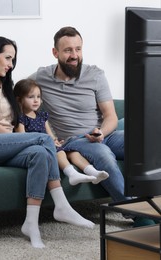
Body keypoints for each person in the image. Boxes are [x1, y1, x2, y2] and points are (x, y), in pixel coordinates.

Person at [0, 36, 95, 249]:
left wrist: (18, 137)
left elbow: (24, 103)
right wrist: (20, 138)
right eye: (7, 58)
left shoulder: (7, 87)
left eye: (13, 60)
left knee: (40, 153)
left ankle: (31, 224)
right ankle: (62, 201)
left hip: (6, 146)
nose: (10, 64)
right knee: (43, 139)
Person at [29, 26, 155, 227]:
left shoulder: (94, 75)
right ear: (55, 53)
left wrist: (101, 132)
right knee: (104, 155)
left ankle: (154, 202)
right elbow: (12, 94)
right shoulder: (41, 77)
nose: (74, 55)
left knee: (147, 142)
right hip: (73, 141)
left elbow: (111, 116)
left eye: (78, 49)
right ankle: (136, 212)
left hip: (103, 134)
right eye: (68, 50)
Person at [13, 78, 109, 186]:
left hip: (50, 145)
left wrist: (56, 141)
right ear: (19, 100)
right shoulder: (21, 118)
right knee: (59, 151)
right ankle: (72, 173)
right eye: (31, 97)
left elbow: (50, 134)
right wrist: (50, 143)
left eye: (38, 97)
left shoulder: (42, 116)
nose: (36, 100)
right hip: (37, 147)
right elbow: (22, 138)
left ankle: (93, 173)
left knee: (72, 152)